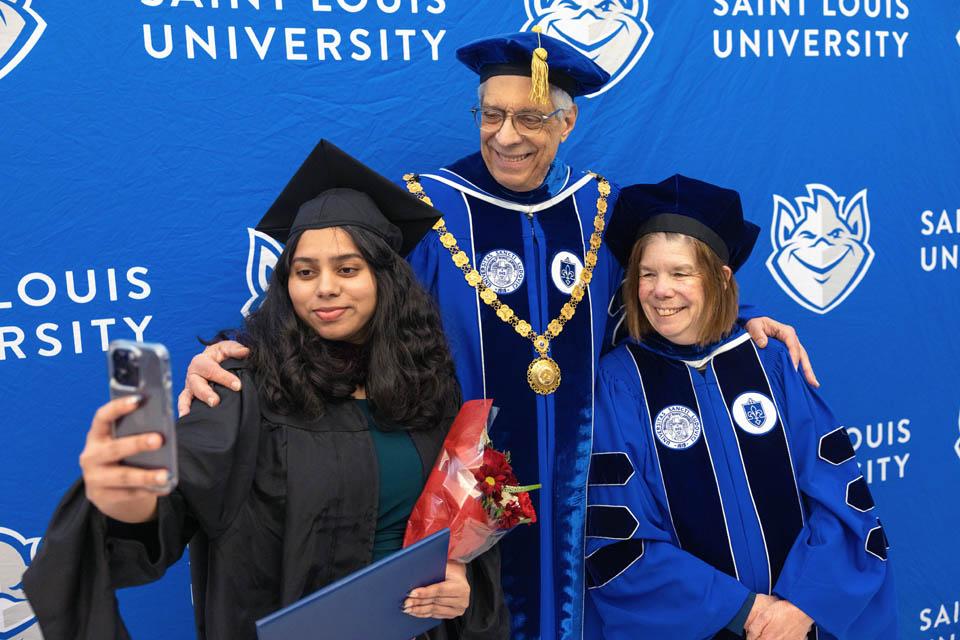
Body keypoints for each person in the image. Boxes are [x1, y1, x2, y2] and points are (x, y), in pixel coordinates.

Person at [178, 33, 819, 640]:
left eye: (531, 119)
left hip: (589, 486)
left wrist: (740, 321)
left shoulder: (599, 209)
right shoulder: (429, 212)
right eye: (491, 115)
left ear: (567, 125)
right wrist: (242, 359)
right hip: (460, 487)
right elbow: (340, 309)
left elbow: (663, 289)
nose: (506, 136)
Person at [21, 142, 510, 640]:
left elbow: (458, 528)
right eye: (304, 272)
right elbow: (170, 503)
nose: (323, 288)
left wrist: (460, 581)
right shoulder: (245, 388)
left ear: (386, 281)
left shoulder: (428, 388)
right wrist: (126, 500)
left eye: (347, 269)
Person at [584, 175, 896, 640]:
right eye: (647, 274)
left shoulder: (770, 359)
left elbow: (840, 498)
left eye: (681, 273)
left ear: (720, 277)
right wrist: (745, 612)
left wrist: (801, 606)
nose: (660, 290)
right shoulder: (617, 382)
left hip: (801, 624)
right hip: (701, 626)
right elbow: (619, 540)